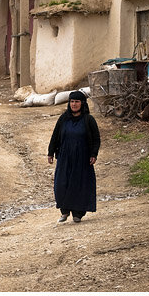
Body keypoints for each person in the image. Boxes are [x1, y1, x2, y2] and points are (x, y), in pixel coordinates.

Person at [47, 90, 100, 223]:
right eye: (72, 101)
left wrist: (94, 154)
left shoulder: (89, 120)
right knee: (61, 183)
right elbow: (55, 135)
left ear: (82, 103)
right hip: (64, 156)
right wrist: (50, 152)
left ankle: (78, 213)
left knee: (79, 184)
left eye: (77, 102)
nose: (74, 104)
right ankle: (64, 212)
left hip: (82, 157)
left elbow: (96, 139)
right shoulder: (63, 118)